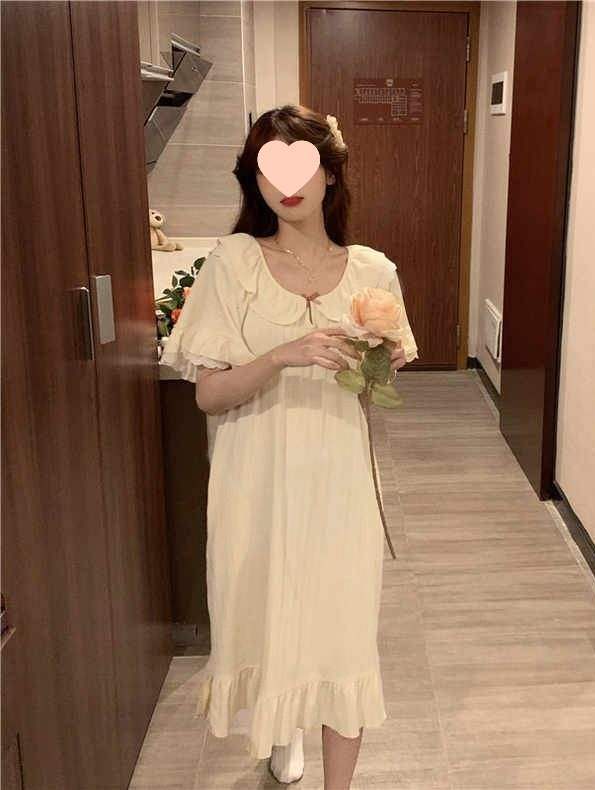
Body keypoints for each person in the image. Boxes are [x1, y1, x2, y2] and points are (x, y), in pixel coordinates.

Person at [160, 104, 418, 789]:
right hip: (257, 482)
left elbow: (372, 390)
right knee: (271, 618)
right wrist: (284, 354)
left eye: (302, 165)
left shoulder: (372, 271)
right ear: (255, 181)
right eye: (269, 168)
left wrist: (380, 364)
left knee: (344, 636)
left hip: (339, 482)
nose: (287, 183)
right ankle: (283, 735)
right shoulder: (234, 263)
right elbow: (209, 395)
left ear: (330, 174)